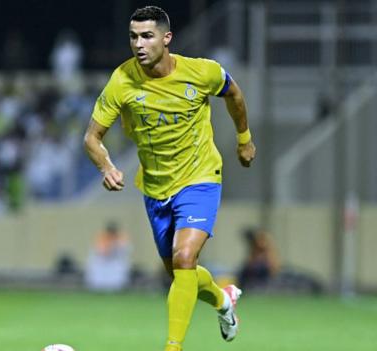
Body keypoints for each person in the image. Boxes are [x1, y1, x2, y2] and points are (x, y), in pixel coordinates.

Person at [83, 6, 256, 351]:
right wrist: (107, 167)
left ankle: (173, 346)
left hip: (200, 177)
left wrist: (244, 138)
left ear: (167, 38)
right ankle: (223, 301)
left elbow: (234, 93)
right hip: (156, 187)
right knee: (181, 273)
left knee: (184, 259)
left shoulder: (201, 72)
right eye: (133, 36)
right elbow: (92, 137)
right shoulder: (122, 80)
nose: (139, 44)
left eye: (147, 36)